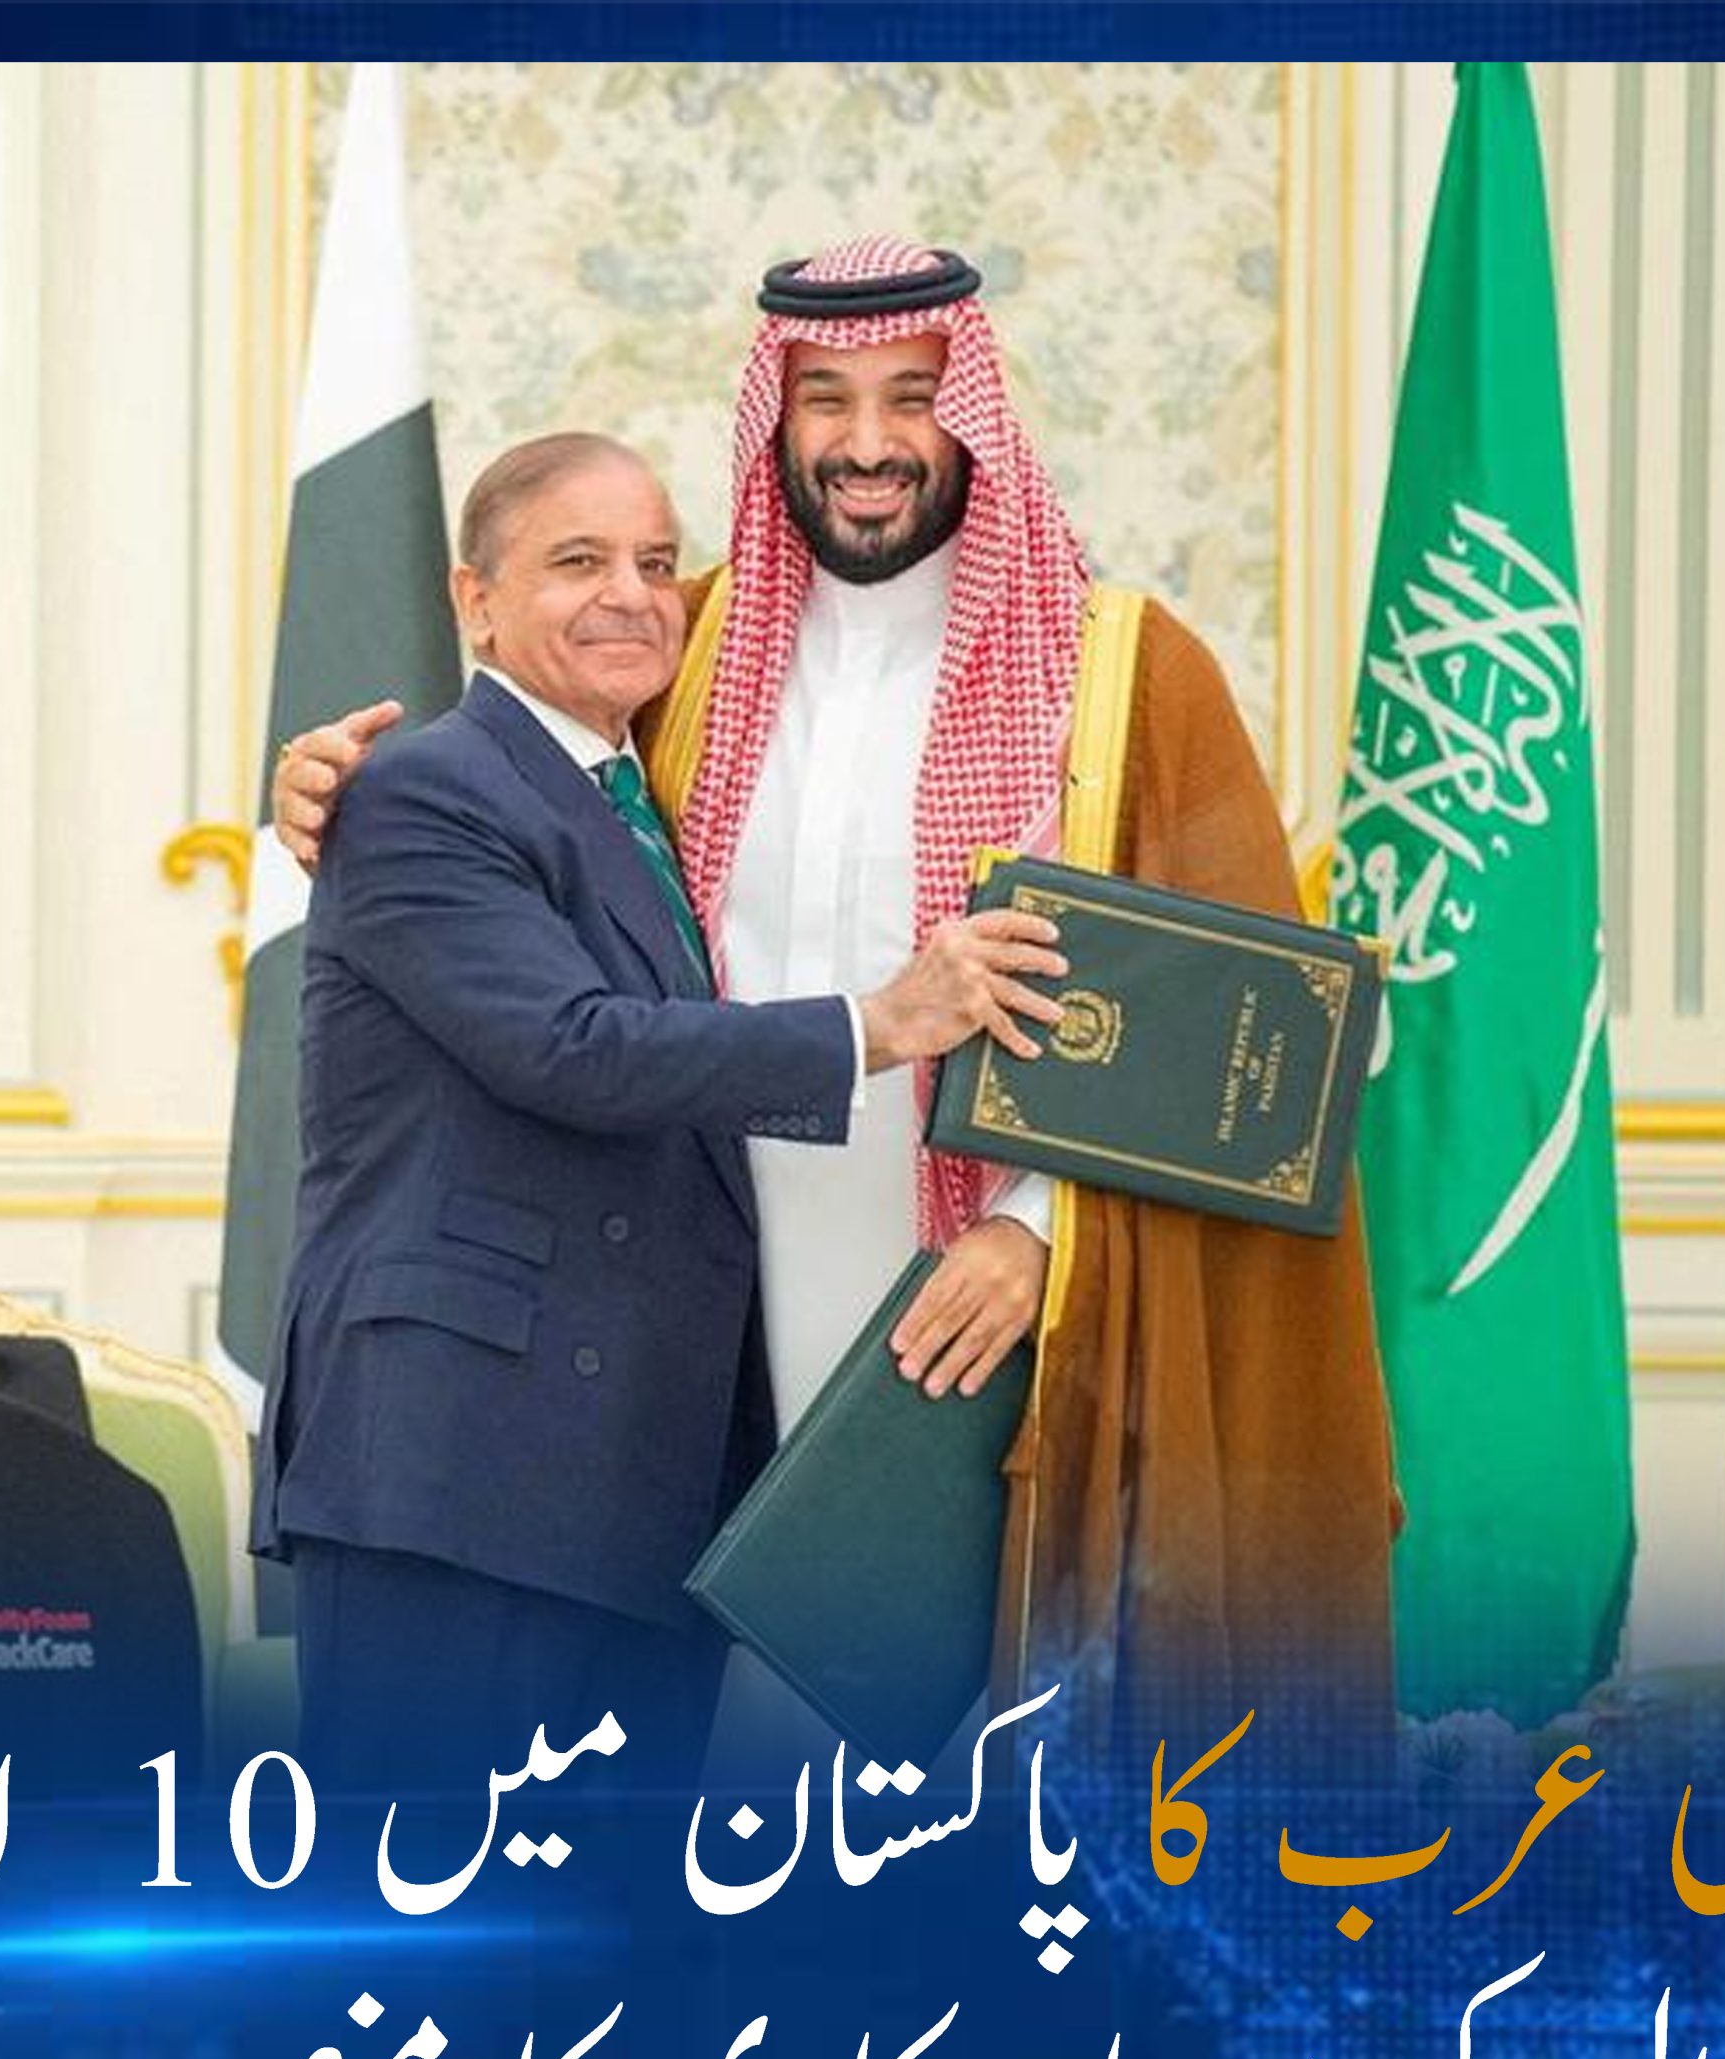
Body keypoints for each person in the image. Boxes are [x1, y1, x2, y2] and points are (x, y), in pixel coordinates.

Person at [277, 243, 1397, 1750]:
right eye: (827, 400)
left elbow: (1251, 1047)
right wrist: (322, 786)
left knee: (960, 1756)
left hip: (985, 1311)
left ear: (971, 413)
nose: (868, 443)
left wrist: (1037, 1232)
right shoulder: (691, 652)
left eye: (911, 397)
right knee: (686, 1779)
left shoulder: (1124, 675)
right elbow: (511, 798)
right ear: (776, 419)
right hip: (676, 1357)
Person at [251, 430, 1067, 1806]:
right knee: (424, 1913)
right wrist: (886, 1022)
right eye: (578, 562)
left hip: (632, 1500)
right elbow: (573, 1048)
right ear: (474, 601)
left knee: (605, 1922)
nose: (631, 595)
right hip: (462, 1479)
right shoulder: (423, 789)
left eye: (654, 561)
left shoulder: (651, 796)